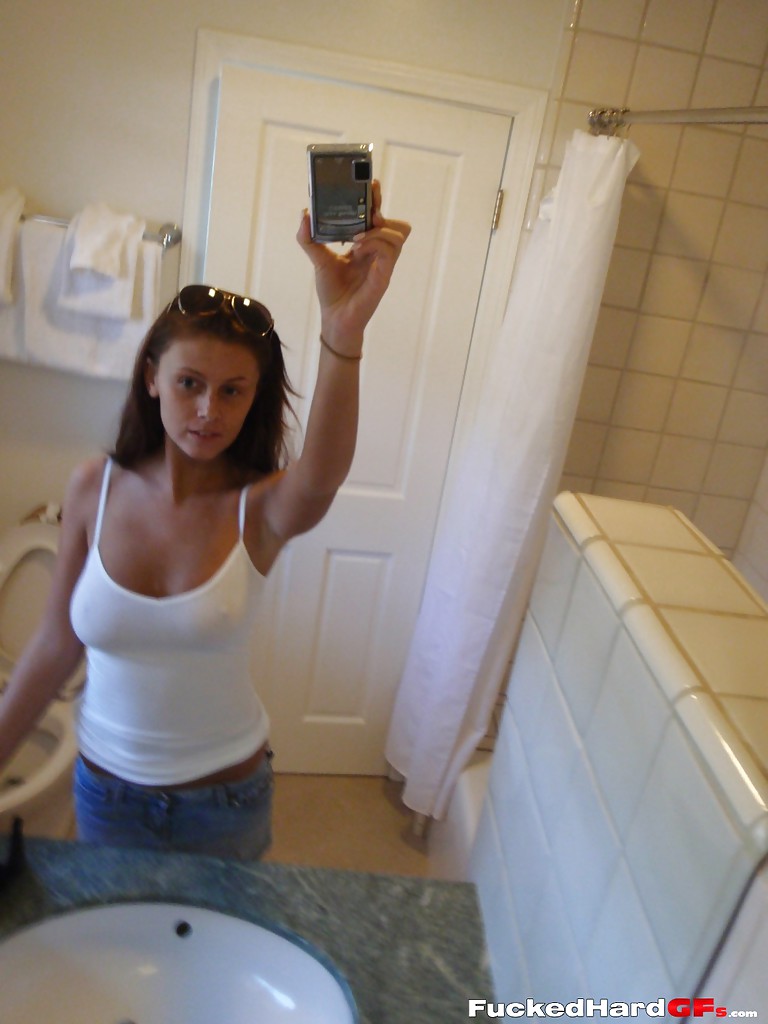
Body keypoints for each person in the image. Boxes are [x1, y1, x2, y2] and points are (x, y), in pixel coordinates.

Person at [0, 182, 410, 859]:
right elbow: (52, 647)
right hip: (105, 793)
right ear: (152, 378)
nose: (208, 411)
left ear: (254, 398)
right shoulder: (93, 487)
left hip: (223, 803)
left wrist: (344, 332)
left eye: (232, 391)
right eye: (189, 383)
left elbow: (322, 473)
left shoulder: (261, 507)